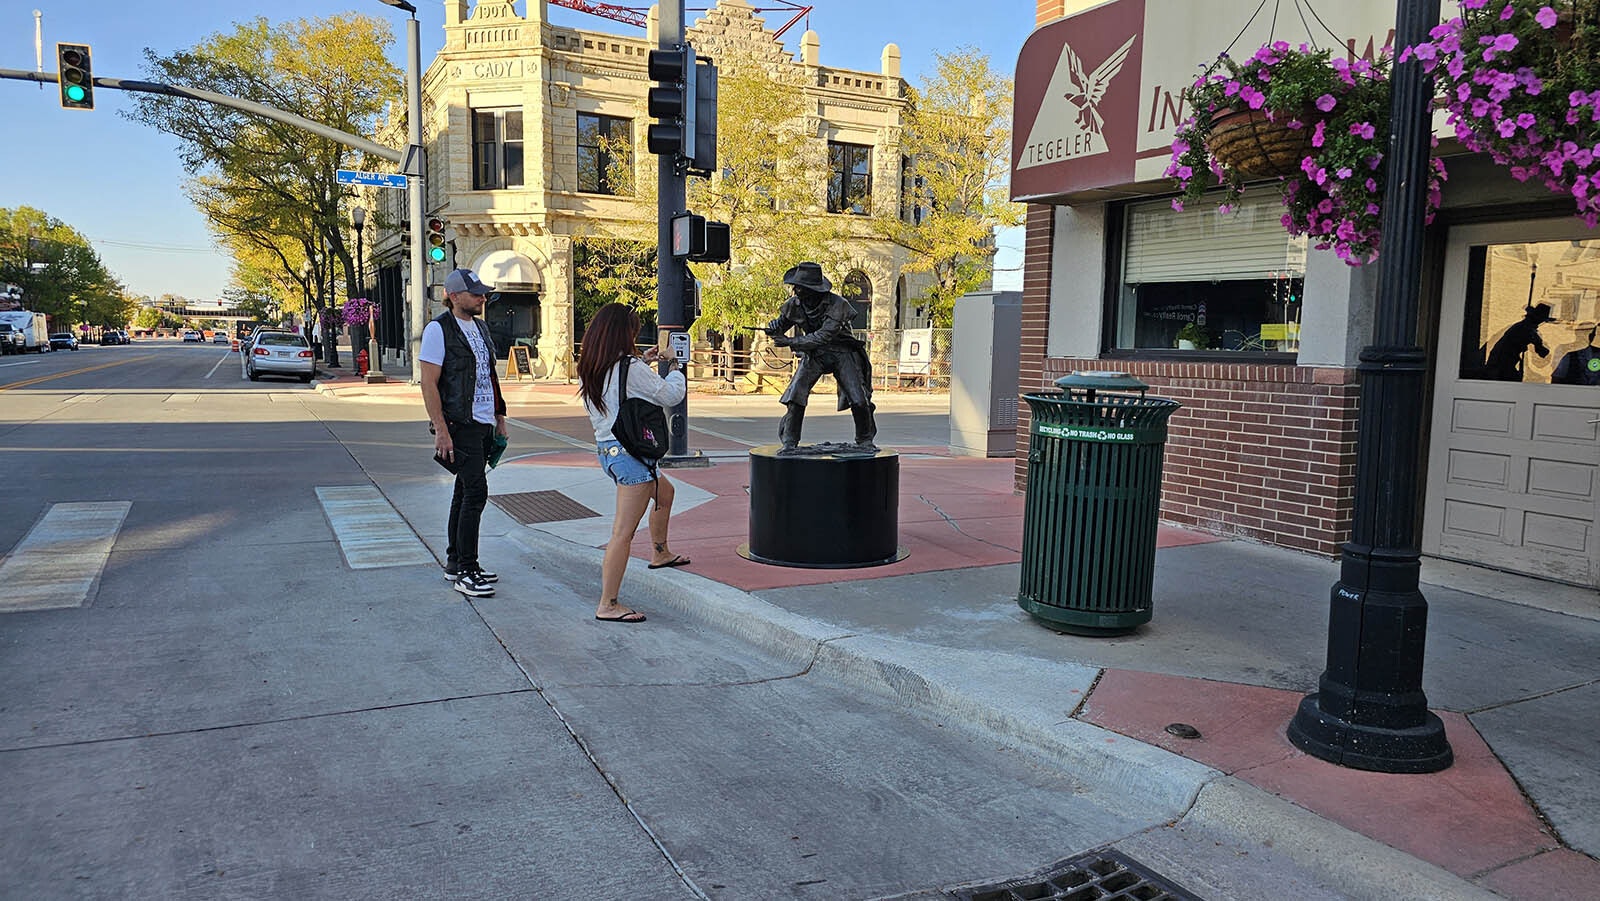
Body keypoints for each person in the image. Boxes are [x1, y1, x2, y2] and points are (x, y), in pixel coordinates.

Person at [578, 303, 689, 624]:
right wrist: (675, 366)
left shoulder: (595, 365)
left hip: (610, 452)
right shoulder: (629, 367)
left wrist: (644, 361)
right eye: (634, 332)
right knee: (622, 533)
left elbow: (621, 385)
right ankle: (608, 603)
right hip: (630, 456)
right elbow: (669, 396)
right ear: (624, 334)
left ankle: (660, 552)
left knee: (664, 494)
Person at [420, 268, 509, 598]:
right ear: (454, 296)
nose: (482, 298)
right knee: (476, 493)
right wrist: (441, 429)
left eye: (483, 293)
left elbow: (490, 375)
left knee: (463, 491)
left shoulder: (481, 327)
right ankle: (467, 571)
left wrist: (500, 416)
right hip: (460, 423)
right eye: (475, 294)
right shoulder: (438, 330)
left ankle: (456, 562)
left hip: (483, 422)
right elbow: (429, 383)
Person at [763, 261, 877, 453]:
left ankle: (865, 440)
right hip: (814, 354)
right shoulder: (794, 304)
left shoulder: (838, 304)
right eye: (795, 287)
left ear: (813, 289)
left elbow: (824, 336)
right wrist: (774, 327)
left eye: (800, 287)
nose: (795, 291)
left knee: (858, 399)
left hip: (841, 352)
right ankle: (790, 442)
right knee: (796, 396)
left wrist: (790, 342)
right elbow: (781, 326)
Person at [1485, 302, 1553, 382]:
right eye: (1541, 320)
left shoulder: (1522, 327)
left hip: (1500, 363)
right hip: (1500, 366)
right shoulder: (1527, 330)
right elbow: (1542, 352)